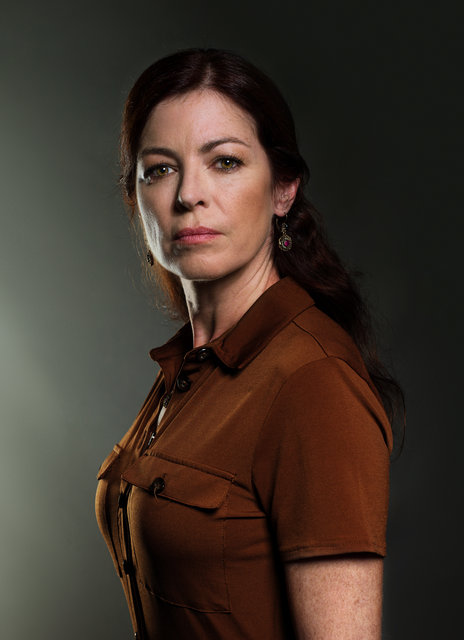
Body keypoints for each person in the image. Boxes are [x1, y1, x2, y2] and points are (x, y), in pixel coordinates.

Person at [95, 48, 403, 640]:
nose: (189, 194)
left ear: (283, 189)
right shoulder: (189, 366)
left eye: (226, 162)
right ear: (136, 198)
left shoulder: (313, 383)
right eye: (160, 169)